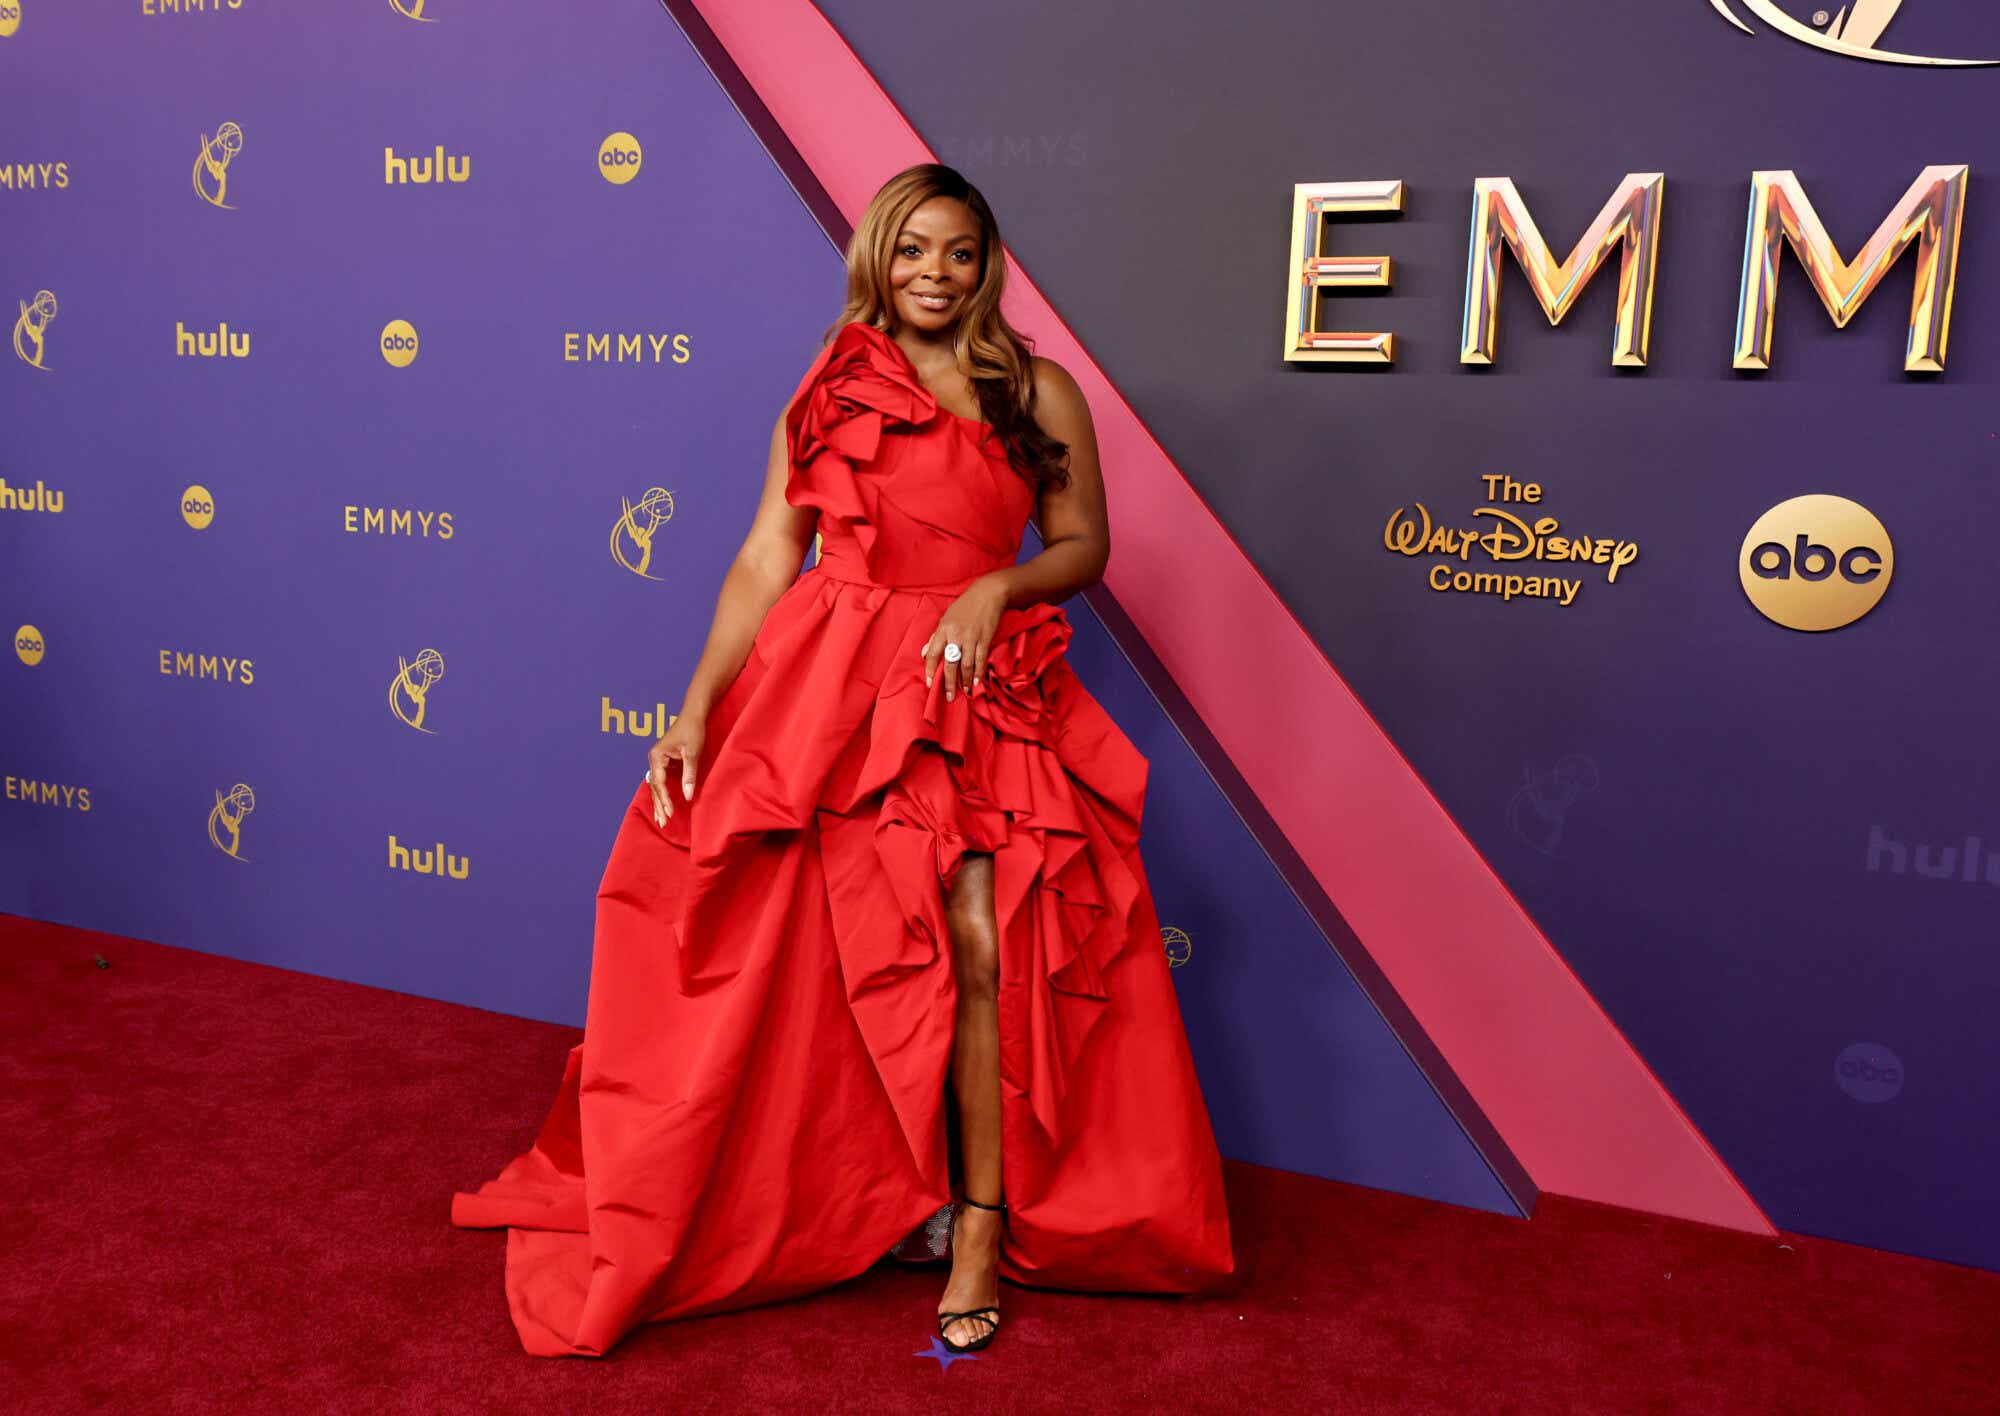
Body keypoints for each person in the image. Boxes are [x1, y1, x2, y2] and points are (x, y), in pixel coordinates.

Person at [451, 163, 1235, 1358]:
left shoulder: (1039, 390)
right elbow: (769, 557)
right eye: (913, 250)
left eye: (959, 252)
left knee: (981, 938)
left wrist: (995, 586)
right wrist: (698, 706)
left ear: (988, 264)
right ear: (877, 256)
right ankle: (875, 1195)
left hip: (973, 688)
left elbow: (1083, 545)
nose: (935, 273)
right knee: (834, 949)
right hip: (829, 688)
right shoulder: (829, 385)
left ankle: (977, 1223)